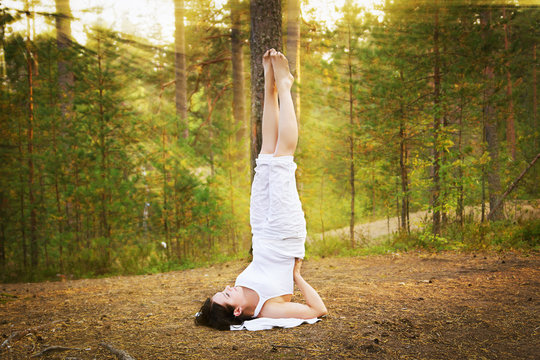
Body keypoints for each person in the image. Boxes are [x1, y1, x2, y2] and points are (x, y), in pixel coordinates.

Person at [195, 49, 327, 331]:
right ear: (239, 310)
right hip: (283, 234)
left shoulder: (241, 292)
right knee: (282, 159)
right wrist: (298, 277)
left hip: (261, 230)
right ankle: (286, 86)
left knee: (266, 157)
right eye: (227, 293)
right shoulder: (270, 306)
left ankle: (270, 84)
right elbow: (318, 309)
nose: (229, 286)